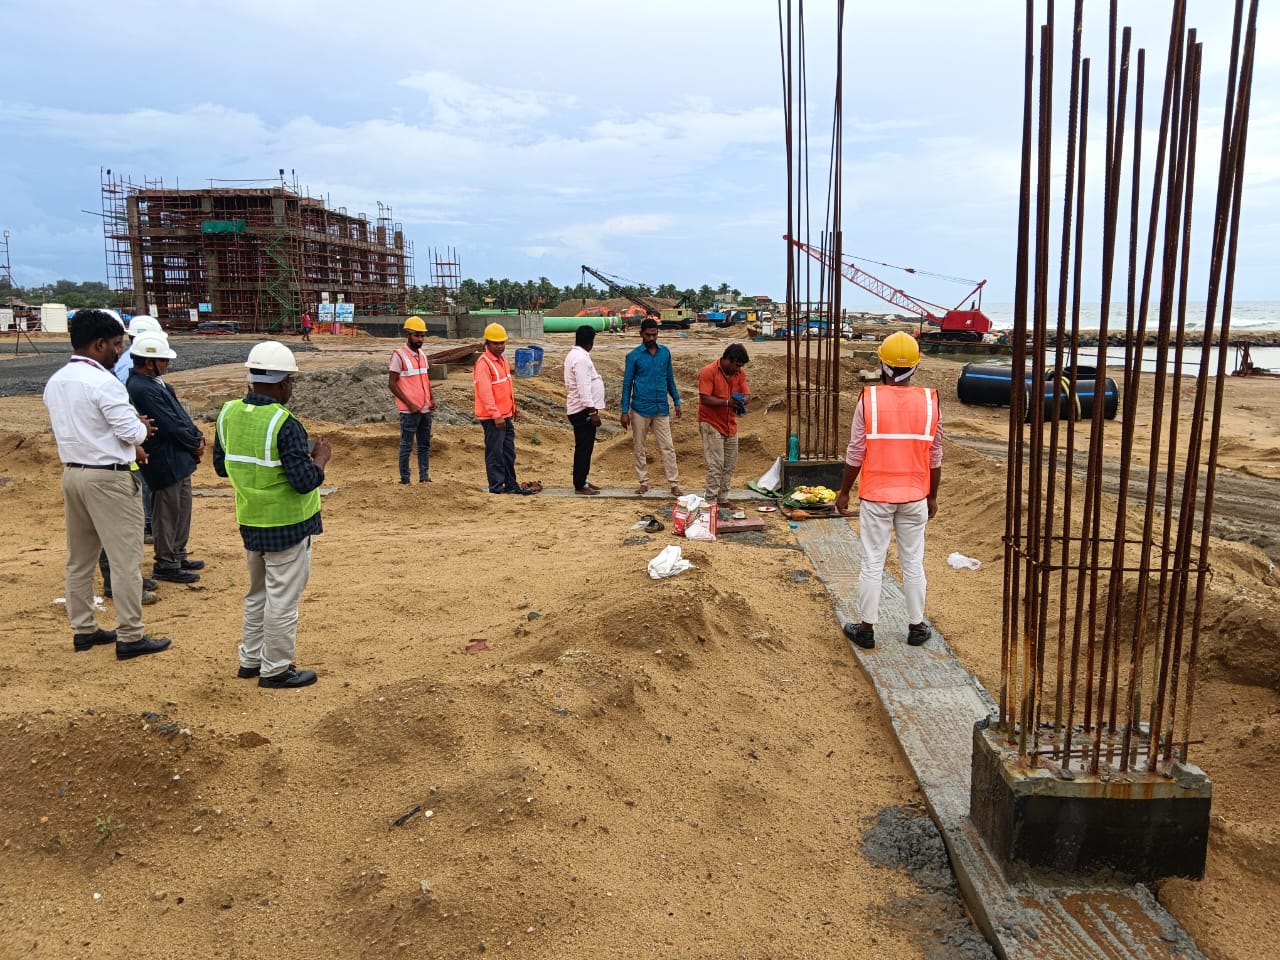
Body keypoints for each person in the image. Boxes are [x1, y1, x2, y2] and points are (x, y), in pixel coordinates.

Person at [42, 308, 172, 660]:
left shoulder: (56, 381)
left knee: (79, 559)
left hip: (73, 474)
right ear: (99, 344)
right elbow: (131, 432)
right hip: (109, 477)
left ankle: (83, 628)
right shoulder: (104, 382)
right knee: (125, 559)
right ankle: (131, 634)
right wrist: (142, 426)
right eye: (116, 344)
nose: (120, 352)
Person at [213, 341, 329, 688]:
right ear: (282, 383)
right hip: (288, 525)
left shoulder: (228, 414)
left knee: (258, 594)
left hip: (251, 520)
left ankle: (250, 660)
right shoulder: (285, 424)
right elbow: (304, 481)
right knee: (282, 600)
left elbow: (222, 467)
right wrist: (320, 458)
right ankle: (276, 668)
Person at [834, 331, 943, 650]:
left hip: (876, 496)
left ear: (882, 364)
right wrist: (932, 495)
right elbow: (935, 455)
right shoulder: (930, 401)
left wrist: (843, 492)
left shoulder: (869, 400)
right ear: (915, 367)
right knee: (913, 561)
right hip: (915, 496)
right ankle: (916, 627)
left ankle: (866, 629)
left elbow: (856, 452)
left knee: (872, 561)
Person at [126, 332, 206, 585]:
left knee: (181, 509)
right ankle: (166, 562)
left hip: (178, 458)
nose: (167, 364)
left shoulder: (156, 385)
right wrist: (194, 442)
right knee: (167, 512)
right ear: (149, 362)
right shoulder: (141, 388)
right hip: (165, 459)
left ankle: (177, 554)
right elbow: (169, 425)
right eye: (163, 360)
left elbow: (181, 416)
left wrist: (197, 437)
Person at [620, 318, 683, 497]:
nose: (651, 338)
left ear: (658, 334)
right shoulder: (634, 356)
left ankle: (674, 484)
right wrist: (624, 411)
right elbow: (627, 384)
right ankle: (643, 482)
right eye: (648, 335)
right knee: (639, 447)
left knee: (668, 447)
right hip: (640, 408)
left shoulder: (665, 353)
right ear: (641, 334)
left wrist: (676, 401)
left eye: (654, 334)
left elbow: (669, 378)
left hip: (661, 408)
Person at [473, 323, 538, 495]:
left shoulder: (502, 361)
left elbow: (506, 386)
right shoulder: (484, 364)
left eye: (502, 342)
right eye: (496, 343)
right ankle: (496, 487)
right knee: (495, 453)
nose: (500, 346)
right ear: (487, 343)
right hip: (493, 418)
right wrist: (496, 415)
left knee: (508, 452)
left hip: (504, 415)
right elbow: (485, 392)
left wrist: (512, 407)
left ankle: (510, 484)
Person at [697, 343, 750, 508]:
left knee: (729, 464)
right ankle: (711, 502)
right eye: (737, 365)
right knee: (716, 465)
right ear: (728, 359)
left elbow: (747, 394)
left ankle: (723, 499)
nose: (738, 369)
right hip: (711, 423)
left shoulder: (739, 374)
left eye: (740, 366)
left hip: (730, 425)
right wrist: (728, 402)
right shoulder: (709, 372)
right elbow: (704, 398)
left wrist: (742, 401)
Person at [388, 316, 436, 484]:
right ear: (408, 334)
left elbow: (425, 378)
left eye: (422, 336)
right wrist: (409, 404)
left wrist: (431, 397)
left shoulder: (422, 355)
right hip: (409, 411)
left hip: (425, 409)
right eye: (417, 335)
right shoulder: (399, 356)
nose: (420, 339)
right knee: (406, 446)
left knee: (424, 445)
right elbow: (392, 384)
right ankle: (405, 479)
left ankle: (424, 477)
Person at [563, 324, 605, 495]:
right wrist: (593, 412)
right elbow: (583, 387)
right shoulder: (580, 359)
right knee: (584, 448)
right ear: (591, 342)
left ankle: (583, 479)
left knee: (586, 448)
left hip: (581, 409)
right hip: (582, 410)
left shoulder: (577, 355)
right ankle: (580, 484)